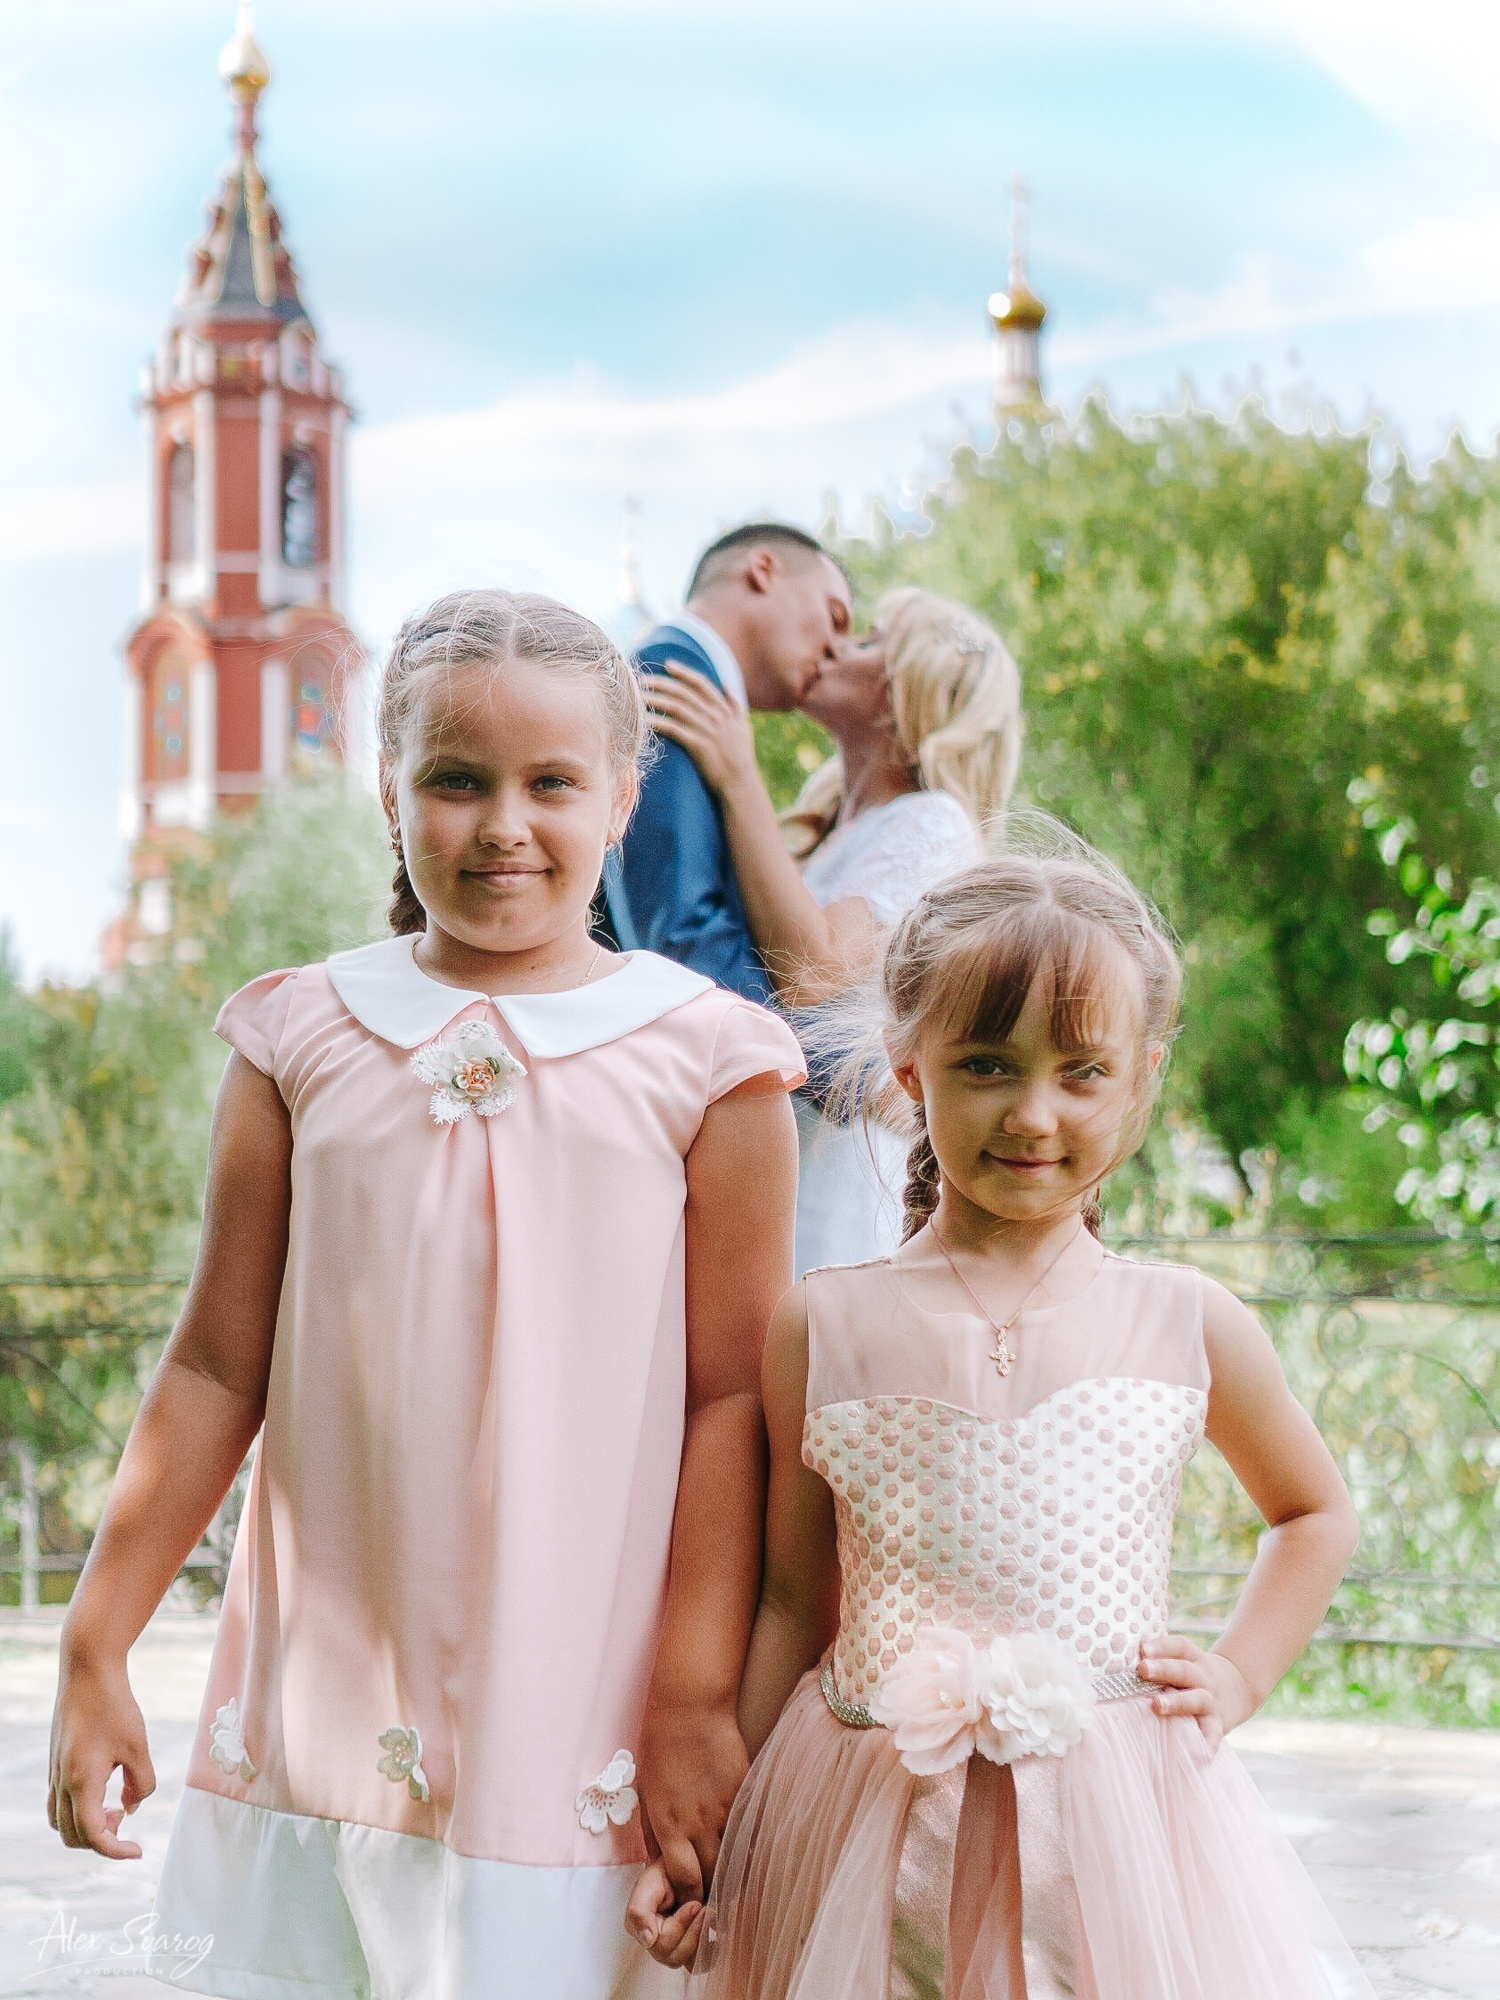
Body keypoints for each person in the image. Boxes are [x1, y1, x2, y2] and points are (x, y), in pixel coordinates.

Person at [46, 590, 806, 2000]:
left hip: (589, 1707)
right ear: (391, 793)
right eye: (456, 781)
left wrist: (698, 1696)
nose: (502, 824)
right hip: (327, 1712)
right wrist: (97, 1641)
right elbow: (217, 1368)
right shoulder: (297, 1034)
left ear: (623, 798)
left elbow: (731, 1401)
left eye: (550, 783)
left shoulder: (712, 1062)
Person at [627, 838, 1374, 1999]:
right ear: (910, 1066)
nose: (1034, 1112)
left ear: (1142, 1076)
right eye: (987, 1062)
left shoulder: (1187, 1320)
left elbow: (1315, 1509)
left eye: (1082, 1070)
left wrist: (1235, 1674)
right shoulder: (822, 1325)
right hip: (869, 1805)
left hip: (1112, 1821)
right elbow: (790, 1594)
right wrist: (741, 1832)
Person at [642, 586, 1021, 1274]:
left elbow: (813, 973)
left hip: (838, 1169)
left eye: (870, 641)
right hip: (777, 1146)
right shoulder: (830, 832)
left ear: (910, 695)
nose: (838, 645)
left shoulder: (933, 822)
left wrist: (736, 771)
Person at [603, 522, 853, 1002]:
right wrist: (797, 1058)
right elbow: (679, 940)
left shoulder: (701, 699)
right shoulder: (671, 679)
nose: (836, 651)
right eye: (834, 616)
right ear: (763, 570)